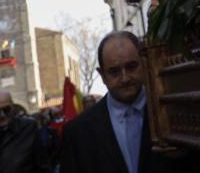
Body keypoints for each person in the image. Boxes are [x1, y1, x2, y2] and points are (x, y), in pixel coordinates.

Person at [59, 32, 164, 173]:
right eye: (114, 72)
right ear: (102, 75)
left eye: (131, 67)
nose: (125, 78)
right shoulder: (77, 132)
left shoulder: (170, 114)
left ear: (144, 63)